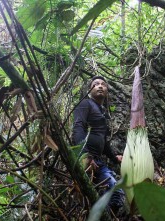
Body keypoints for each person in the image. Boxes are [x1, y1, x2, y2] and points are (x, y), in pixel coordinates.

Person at [72, 76, 124, 212]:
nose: (100, 86)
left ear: (107, 91)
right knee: (113, 190)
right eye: (95, 84)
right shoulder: (85, 104)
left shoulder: (102, 112)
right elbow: (78, 128)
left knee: (117, 193)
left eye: (103, 84)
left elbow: (103, 141)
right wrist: (85, 155)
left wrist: (114, 158)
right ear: (90, 90)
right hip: (86, 160)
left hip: (98, 161)